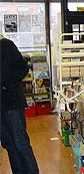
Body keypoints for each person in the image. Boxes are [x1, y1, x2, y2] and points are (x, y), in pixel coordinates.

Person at [1, 35, 39, 173]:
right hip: (1, 107)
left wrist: (7, 84)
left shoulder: (6, 45)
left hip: (12, 104)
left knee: (20, 143)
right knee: (9, 144)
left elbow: (23, 68)